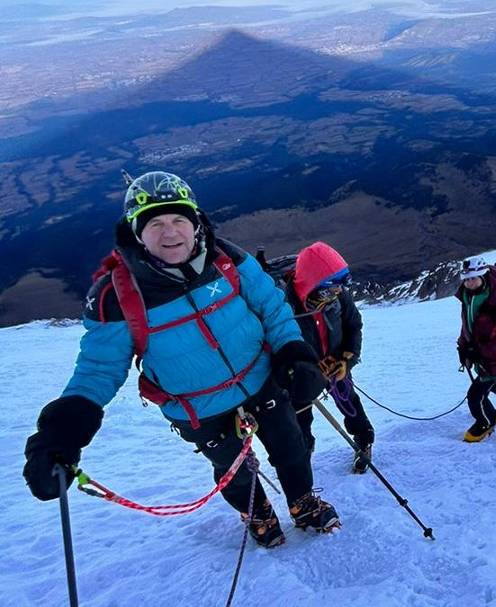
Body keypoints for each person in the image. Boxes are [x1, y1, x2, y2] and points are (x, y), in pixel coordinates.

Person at [22, 171, 339, 549]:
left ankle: (302, 502)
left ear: (195, 222)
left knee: (291, 446)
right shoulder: (117, 295)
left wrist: (293, 352)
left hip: (260, 377)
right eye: (154, 223)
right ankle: (258, 513)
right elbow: (97, 369)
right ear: (137, 232)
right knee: (233, 470)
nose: (169, 232)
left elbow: (272, 307)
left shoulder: (226, 257)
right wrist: (61, 433)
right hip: (198, 408)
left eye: (178, 220)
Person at [285, 241, 376, 474]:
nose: (336, 293)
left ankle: (364, 440)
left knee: (349, 403)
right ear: (311, 284)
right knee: (300, 416)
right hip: (303, 374)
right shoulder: (284, 306)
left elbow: (353, 325)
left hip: (336, 363)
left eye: (339, 288)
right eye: (330, 289)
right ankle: (302, 454)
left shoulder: (338, 296)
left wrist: (347, 360)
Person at [455, 257, 496, 443]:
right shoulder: (469, 297)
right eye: (466, 279)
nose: (470, 282)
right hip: (485, 356)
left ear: (483, 276)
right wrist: (463, 346)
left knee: (475, 396)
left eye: (474, 278)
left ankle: (486, 422)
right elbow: (467, 326)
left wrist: (481, 352)